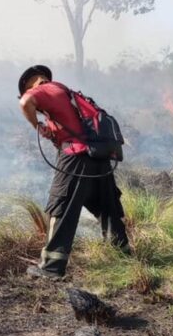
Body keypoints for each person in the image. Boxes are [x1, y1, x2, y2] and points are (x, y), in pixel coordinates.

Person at [18, 65, 129, 279]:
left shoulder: (43, 88)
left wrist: (36, 126)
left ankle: (51, 267)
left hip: (76, 158)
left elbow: (26, 103)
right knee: (107, 208)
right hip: (99, 157)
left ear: (32, 83)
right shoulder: (65, 93)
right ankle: (123, 258)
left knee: (61, 207)